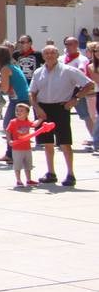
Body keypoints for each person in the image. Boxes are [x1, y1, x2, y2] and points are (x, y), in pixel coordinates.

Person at [29, 43, 95, 186]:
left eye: (52, 53)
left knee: (65, 143)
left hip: (61, 108)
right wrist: (36, 108)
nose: (49, 56)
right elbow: (32, 92)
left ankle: (70, 174)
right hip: (43, 110)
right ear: (43, 56)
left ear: (58, 55)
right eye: (46, 53)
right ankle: (51, 172)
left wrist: (75, 98)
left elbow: (89, 84)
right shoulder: (38, 72)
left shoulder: (68, 70)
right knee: (47, 143)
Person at [6, 103, 51, 187]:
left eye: (21, 111)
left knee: (28, 165)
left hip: (27, 148)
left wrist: (41, 119)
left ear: (27, 113)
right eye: (17, 110)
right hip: (17, 148)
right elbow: (8, 131)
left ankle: (28, 180)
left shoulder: (27, 122)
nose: (18, 112)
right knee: (17, 165)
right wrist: (9, 140)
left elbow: (34, 124)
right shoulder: (13, 122)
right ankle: (18, 180)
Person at [61, 36, 94, 145]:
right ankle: (62, 140)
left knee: (86, 116)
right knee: (62, 117)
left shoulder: (82, 59)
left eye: (70, 44)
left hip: (78, 91)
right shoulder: (61, 59)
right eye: (66, 44)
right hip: (63, 91)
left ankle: (95, 138)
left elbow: (81, 72)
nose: (68, 46)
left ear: (76, 45)